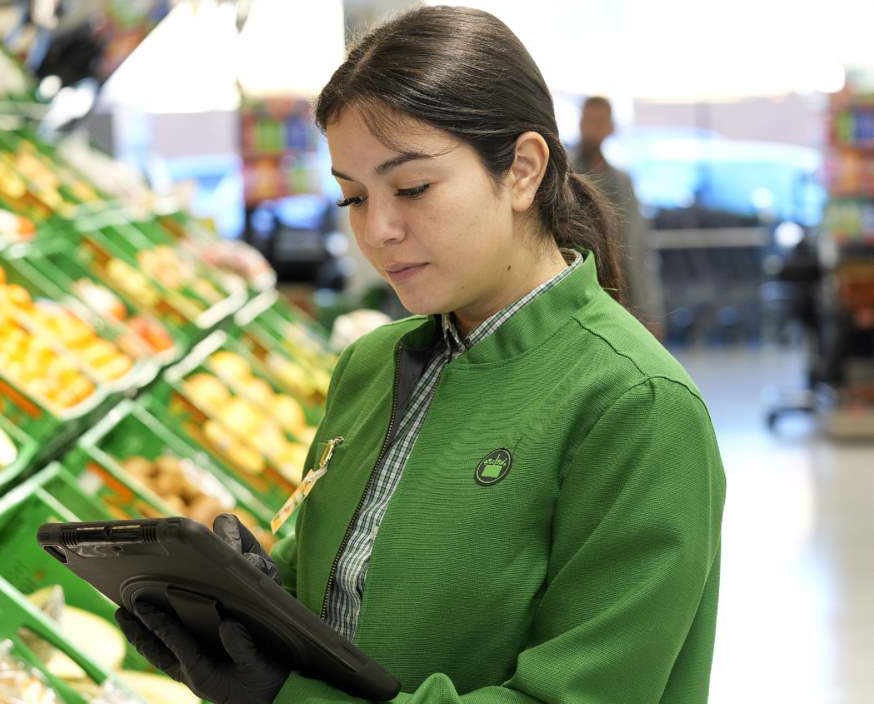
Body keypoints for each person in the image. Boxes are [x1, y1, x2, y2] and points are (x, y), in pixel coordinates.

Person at [114, 6, 726, 703]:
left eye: (412, 189)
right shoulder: (372, 363)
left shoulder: (636, 406)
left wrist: (285, 696)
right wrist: (255, 600)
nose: (378, 230)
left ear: (522, 170)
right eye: (352, 196)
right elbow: (348, 594)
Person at [570, 96, 666, 337]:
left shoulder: (621, 183)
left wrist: (650, 313)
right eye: (587, 121)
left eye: (598, 123)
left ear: (610, 128)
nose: (591, 129)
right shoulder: (563, 175)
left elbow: (637, 248)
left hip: (617, 297)